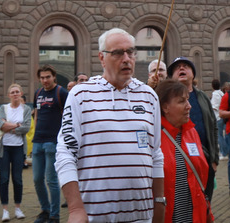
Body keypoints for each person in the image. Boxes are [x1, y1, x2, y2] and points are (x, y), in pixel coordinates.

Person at [55, 28, 165, 223]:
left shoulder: (149, 96)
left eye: (130, 52)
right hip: (95, 216)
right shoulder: (80, 95)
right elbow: (65, 153)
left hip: (142, 217)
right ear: (102, 58)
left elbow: (155, 153)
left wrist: (159, 203)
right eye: (117, 53)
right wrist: (75, 209)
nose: (126, 58)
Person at [156, 79, 212, 223]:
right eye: (182, 101)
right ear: (165, 107)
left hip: (196, 216)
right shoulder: (154, 136)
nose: (189, 106)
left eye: (187, 100)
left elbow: (202, 179)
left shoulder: (191, 132)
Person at [167, 56, 219, 201]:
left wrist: (214, 159)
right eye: (177, 67)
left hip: (204, 159)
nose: (181, 68)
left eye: (185, 66)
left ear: (193, 74)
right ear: (171, 76)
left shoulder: (202, 97)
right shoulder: (165, 100)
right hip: (179, 162)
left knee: (205, 201)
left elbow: (213, 126)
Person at [32, 65, 68, 223]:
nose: (45, 80)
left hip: (53, 142)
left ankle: (55, 215)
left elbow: (69, 116)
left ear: (54, 77)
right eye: (42, 78)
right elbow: (37, 113)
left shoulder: (61, 92)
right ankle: (45, 210)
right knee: (37, 179)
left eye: (48, 77)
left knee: (51, 180)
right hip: (38, 141)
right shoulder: (38, 93)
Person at [0, 83, 33, 221]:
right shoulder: (3, 108)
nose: (15, 94)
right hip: (4, 148)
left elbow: (27, 128)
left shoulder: (26, 109)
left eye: (17, 91)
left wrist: (9, 127)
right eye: (13, 92)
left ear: (21, 93)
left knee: (17, 179)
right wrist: (17, 125)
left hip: (18, 148)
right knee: (4, 179)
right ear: (8, 95)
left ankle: (18, 208)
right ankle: (5, 210)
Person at [210, 78, 228, 162]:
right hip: (223, 116)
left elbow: (214, 107)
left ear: (212, 86)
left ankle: (223, 153)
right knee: (224, 135)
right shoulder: (221, 93)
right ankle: (226, 151)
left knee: (219, 136)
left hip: (217, 117)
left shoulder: (215, 94)